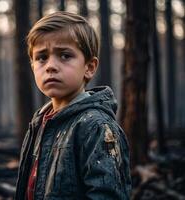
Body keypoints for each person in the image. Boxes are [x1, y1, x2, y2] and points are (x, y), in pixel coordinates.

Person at [15, 11, 131, 200]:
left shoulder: (96, 126)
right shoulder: (39, 123)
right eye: (42, 57)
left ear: (89, 67)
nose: (50, 66)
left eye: (65, 56)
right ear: (32, 65)